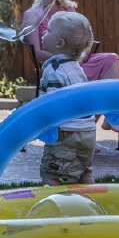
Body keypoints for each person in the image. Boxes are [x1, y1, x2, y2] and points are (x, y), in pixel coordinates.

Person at [23, 0, 119, 134]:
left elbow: (84, 38)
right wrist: (70, 57)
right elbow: (37, 53)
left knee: (112, 59)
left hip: (79, 60)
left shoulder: (68, 9)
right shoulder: (32, 15)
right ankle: (87, 131)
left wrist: (82, 53)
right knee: (114, 81)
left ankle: (106, 117)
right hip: (58, 65)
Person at [38, 11, 98, 185]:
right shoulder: (76, 68)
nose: (44, 33)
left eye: (48, 30)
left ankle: (53, 202)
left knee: (51, 175)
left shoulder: (54, 69)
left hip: (65, 134)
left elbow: (52, 105)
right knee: (85, 172)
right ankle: (92, 200)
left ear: (59, 43)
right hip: (88, 131)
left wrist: (40, 124)